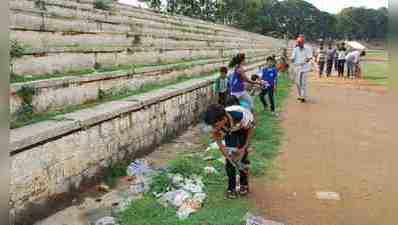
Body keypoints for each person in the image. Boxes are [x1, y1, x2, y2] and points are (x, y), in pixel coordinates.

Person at [203, 104, 255, 198]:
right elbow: (220, 144)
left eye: (215, 125)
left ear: (223, 119)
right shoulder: (216, 124)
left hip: (243, 128)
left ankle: (244, 184)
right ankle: (231, 188)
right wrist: (228, 157)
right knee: (230, 159)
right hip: (230, 129)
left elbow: (250, 130)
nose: (213, 128)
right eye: (212, 126)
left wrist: (243, 148)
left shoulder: (240, 116)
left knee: (242, 157)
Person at [291, 35, 313, 103]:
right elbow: (293, 58)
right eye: (298, 42)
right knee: (297, 82)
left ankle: (303, 97)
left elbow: (309, 57)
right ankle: (300, 95)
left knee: (303, 82)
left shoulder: (308, 48)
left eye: (300, 42)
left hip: (305, 68)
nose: (299, 43)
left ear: (303, 42)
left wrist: (304, 62)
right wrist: (291, 60)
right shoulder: (295, 49)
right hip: (297, 67)